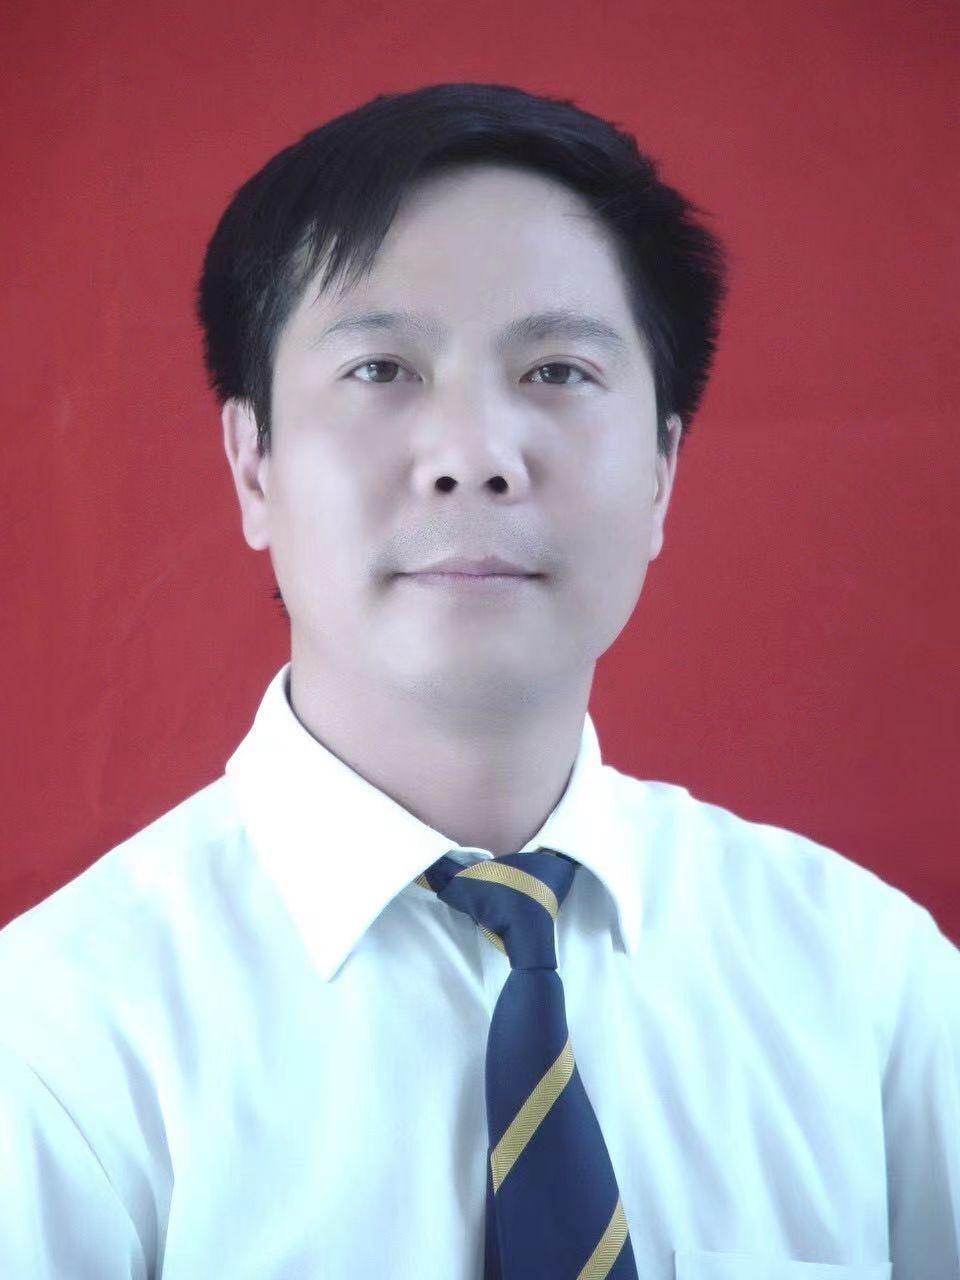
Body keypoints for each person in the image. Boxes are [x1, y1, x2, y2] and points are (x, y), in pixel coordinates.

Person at [0, 81, 956, 1280]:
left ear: (663, 469)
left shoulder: (871, 986)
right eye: (380, 368)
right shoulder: (59, 1041)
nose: (474, 456)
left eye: (556, 370)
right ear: (253, 465)